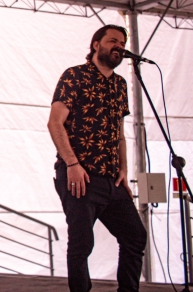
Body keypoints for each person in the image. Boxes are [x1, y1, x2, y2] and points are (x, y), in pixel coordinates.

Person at [47, 24, 147, 291]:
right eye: (113, 40)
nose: (120, 46)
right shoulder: (74, 76)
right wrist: (72, 164)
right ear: (96, 45)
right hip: (80, 175)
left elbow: (120, 133)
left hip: (111, 179)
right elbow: (55, 123)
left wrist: (124, 169)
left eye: (123, 43)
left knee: (135, 237)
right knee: (82, 244)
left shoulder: (120, 84)